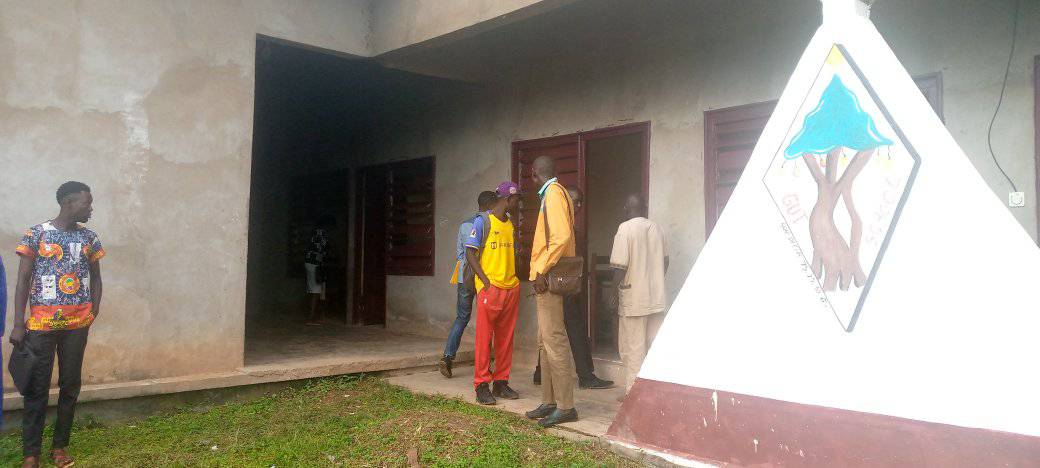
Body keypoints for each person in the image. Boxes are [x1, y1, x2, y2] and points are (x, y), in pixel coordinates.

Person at [11, 181, 105, 468]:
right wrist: (18, 324)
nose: (91, 208)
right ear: (68, 202)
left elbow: (96, 278)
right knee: (36, 387)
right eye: (87, 203)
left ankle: (60, 447)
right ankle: (31, 454)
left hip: (77, 325)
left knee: (70, 385)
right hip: (42, 325)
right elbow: (23, 280)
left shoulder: (89, 238)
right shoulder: (36, 234)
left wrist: (94, 310)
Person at [533, 187, 613, 390]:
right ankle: (585, 376)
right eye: (574, 201)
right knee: (566, 331)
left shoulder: (565, 225)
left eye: (580, 202)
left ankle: (541, 373)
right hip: (558, 285)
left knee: (551, 332)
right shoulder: (562, 227)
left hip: (564, 284)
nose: (577, 206)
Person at [524, 156, 579, 427]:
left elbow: (560, 237)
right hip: (546, 277)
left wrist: (542, 270)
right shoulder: (555, 193)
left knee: (554, 341)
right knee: (544, 343)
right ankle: (549, 400)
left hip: (548, 278)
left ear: (535, 173)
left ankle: (566, 406)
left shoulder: (554, 194)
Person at [466, 182, 522, 405]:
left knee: (505, 339)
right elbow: (470, 253)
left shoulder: (510, 224)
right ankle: (481, 384)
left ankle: (501, 382)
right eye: (517, 200)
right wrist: (485, 282)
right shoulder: (483, 222)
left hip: (510, 288)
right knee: (484, 339)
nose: (519, 204)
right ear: (508, 199)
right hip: (491, 288)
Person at [608, 194, 669, 395]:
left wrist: (612, 293)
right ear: (645, 208)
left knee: (633, 349)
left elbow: (620, 266)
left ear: (627, 208)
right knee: (654, 347)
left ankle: (633, 395)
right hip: (656, 298)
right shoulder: (657, 229)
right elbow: (666, 261)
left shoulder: (625, 228)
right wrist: (654, 281)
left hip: (634, 299)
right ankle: (654, 391)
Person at [440, 190, 498, 378]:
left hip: (464, 276)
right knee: (487, 322)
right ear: (491, 205)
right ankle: (486, 365)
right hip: (485, 278)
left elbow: (460, 253)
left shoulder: (465, 224)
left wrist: (466, 268)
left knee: (461, 318)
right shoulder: (492, 223)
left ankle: (447, 357)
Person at [304, 218, 333, 325]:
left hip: (309, 262)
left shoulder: (313, 233)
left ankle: (315, 316)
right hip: (316, 263)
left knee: (314, 290)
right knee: (316, 291)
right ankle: (311, 318)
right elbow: (325, 250)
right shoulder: (323, 234)